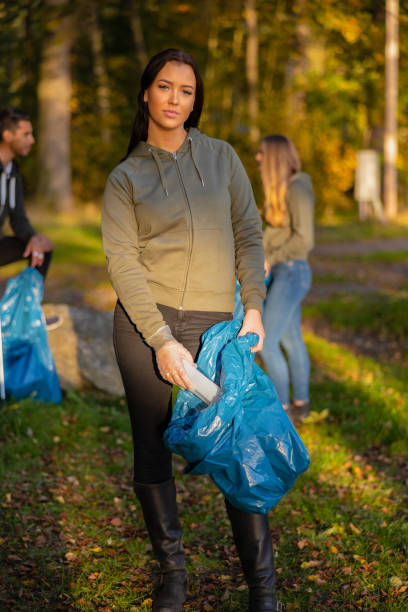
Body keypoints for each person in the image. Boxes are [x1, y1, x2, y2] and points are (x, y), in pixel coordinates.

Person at [102, 49, 280, 612]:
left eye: (186, 90)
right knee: (151, 446)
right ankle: (173, 577)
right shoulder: (125, 177)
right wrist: (159, 340)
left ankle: (264, 591)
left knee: (236, 443)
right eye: (165, 87)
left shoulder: (223, 159)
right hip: (145, 323)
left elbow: (249, 234)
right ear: (146, 95)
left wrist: (253, 305)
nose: (175, 99)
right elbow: (123, 262)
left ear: (194, 100)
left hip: (216, 325)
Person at [256, 134, 314, 424]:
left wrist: (270, 256)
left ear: (275, 157)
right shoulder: (280, 191)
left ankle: (281, 412)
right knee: (290, 339)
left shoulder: (297, 189)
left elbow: (304, 240)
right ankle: (301, 407)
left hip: (292, 271)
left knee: (267, 342)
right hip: (283, 271)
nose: (257, 158)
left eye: (261, 153)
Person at [0, 108, 60, 329]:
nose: (32, 140)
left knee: (43, 247)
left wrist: (34, 238)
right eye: (26, 134)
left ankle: (28, 313)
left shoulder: (12, 171)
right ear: (7, 135)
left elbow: (18, 219)